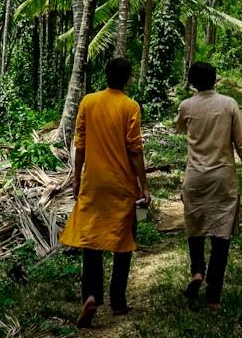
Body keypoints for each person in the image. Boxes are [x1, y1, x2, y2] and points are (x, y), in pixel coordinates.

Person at [59, 55, 149, 328]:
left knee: (91, 241)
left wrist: (76, 179)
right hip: (122, 185)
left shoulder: (88, 102)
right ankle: (118, 301)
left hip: (93, 183)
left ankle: (91, 296)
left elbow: (80, 143)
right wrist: (143, 184)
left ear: (105, 76)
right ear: (128, 80)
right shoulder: (130, 106)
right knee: (123, 240)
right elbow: (135, 149)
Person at [173, 60, 242, 311]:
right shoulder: (228, 104)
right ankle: (213, 297)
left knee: (195, 227)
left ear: (192, 83)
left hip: (195, 178)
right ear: (216, 80)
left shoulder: (186, 106)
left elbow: (179, 126)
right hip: (222, 178)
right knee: (221, 237)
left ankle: (197, 272)